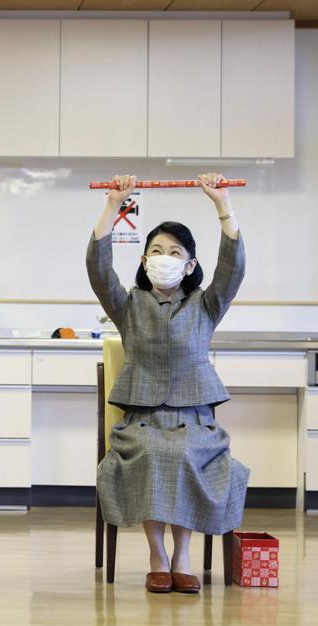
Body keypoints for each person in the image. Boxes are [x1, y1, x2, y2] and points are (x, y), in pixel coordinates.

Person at [87, 173, 250, 595]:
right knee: (156, 452)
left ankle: (183, 557)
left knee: (184, 452)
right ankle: (157, 555)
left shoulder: (206, 304)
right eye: (156, 251)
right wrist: (113, 204)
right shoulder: (128, 304)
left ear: (190, 265)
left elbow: (232, 270)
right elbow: (98, 270)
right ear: (144, 261)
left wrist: (223, 204)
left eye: (175, 252)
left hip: (196, 420)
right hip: (140, 420)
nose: (164, 258)